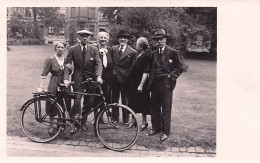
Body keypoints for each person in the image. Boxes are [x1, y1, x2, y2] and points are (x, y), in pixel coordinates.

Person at [147, 29, 185, 141]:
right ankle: (156, 128)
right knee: (154, 107)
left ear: (165, 39)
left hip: (166, 84)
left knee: (166, 108)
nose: (159, 41)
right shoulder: (154, 53)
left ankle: (165, 131)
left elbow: (180, 67)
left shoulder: (173, 52)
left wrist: (170, 77)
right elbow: (151, 68)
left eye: (161, 39)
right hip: (154, 83)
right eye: (157, 39)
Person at [63, 29, 103, 134]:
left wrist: (98, 76)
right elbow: (67, 65)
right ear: (79, 38)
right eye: (82, 36)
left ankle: (83, 120)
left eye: (87, 36)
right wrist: (66, 79)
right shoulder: (73, 49)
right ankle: (75, 124)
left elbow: (98, 63)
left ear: (90, 38)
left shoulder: (94, 49)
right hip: (78, 79)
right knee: (77, 102)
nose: (85, 38)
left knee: (89, 102)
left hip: (91, 80)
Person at [36, 42, 71, 135]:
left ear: (64, 49)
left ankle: (61, 124)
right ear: (55, 48)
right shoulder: (50, 59)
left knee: (63, 104)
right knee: (52, 104)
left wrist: (66, 80)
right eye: (58, 47)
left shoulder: (67, 60)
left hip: (64, 85)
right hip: (53, 84)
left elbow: (68, 72)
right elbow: (44, 73)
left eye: (62, 47)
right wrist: (40, 87)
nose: (60, 49)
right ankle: (51, 125)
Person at [111, 30, 137, 125]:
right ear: (118, 39)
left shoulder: (132, 52)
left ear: (127, 40)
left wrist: (128, 77)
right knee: (114, 99)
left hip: (125, 79)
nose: (122, 39)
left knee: (125, 99)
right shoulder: (113, 49)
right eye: (121, 37)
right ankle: (115, 118)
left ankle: (126, 119)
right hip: (114, 78)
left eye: (125, 38)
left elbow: (133, 67)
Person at [127, 37, 152, 131]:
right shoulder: (138, 54)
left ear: (142, 46)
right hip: (133, 82)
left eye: (137, 44)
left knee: (143, 102)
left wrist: (141, 85)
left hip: (141, 82)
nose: (135, 45)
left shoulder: (146, 56)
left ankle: (144, 122)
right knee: (133, 101)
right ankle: (133, 120)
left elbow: (146, 72)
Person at [92, 31, 113, 124]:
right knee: (96, 97)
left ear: (107, 40)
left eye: (105, 38)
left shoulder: (111, 50)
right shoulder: (93, 49)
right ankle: (95, 117)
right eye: (101, 37)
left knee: (106, 97)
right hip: (96, 77)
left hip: (108, 79)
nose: (103, 40)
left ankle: (102, 116)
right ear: (98, 39)